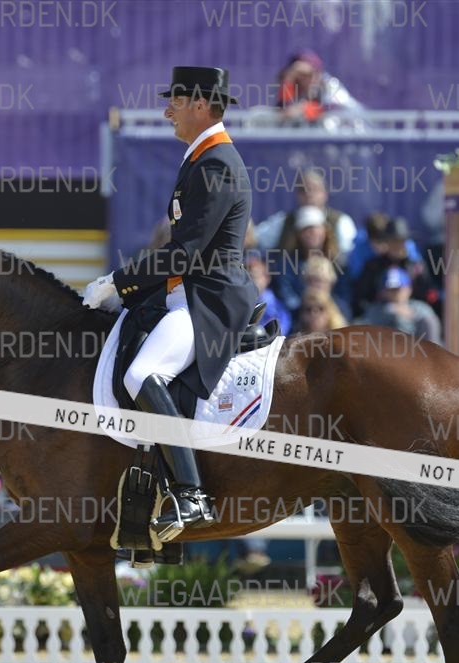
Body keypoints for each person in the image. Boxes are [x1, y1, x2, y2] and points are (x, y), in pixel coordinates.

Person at [82, 66, 256, 531]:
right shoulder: (201, 158)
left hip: (208, 300)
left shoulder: (216, 164)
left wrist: (119, 281)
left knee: (141, 374)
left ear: (200, 104)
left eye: (174, 103)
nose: (167, 112)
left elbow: (186, 252)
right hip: (186, 292)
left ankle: (191, 493)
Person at [254, 169, 357, 256]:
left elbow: (349, 255)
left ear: (325, 194)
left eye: (314, 189)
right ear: (297, 194)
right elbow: (256, 239)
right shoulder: (284, 221)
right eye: (303, 190)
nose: (309, 194)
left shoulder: (341, 222)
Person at [268, 204, 341, 315]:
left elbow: (343, 295)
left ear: (325, 231)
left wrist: (325, 309)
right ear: (298, 234)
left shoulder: (339, 262)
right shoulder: (285, 264)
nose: (312, 233)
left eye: (316, 228)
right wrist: (309, 308)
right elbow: (286, 295)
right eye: (306, 229)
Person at [276, 50, 364, 128]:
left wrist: (306, 109)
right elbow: (284, 108)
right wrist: (289, 78)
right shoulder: (298, 89)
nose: (303, 80)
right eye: (298, 76)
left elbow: (338, 109)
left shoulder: (329, 85)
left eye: (307, 75)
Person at [357, 266, 441, 344]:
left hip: (417, 351)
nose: (395, 293)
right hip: (384, 352)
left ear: (409, 289)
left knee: (429, 321)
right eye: (391, 290)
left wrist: (409, 314)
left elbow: (429, 329)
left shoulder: (420, 307)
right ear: (383, 292)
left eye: (398, 289)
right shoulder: (375, 310)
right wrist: (392, 311)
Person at [245, 249, 291, 335]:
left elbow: (279, 334)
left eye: (254, 276)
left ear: (267, 278)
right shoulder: (238, 304)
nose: (250, 282)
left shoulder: (278, 309)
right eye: (246, 278)